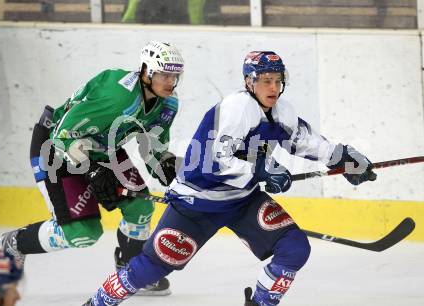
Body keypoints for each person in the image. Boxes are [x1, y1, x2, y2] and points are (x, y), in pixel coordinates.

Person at [82, 51, 377, 306]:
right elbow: (212, 161)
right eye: (265, 80)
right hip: (196, 204)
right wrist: (260, 170)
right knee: (148, 270)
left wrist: (342, 157)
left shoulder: (282, 110)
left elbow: (304, 141)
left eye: (277, 80)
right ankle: (97, 302)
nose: (273, 87)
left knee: (295, 248)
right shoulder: (237, 108)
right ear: (249, 82)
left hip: (242, 201)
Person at [0, 41, 185, 296]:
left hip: (102, 150)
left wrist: (166, 166)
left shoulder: (167, 104)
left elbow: (151, 148)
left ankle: (131, 269)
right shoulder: (118, 96)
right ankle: (12, 243)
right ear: (146, 71)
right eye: (164, 74)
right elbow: (62, 134)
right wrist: (91, 170)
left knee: (140, 206)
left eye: (175, 75)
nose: (170, 81)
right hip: (56, 151)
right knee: (83, 233)